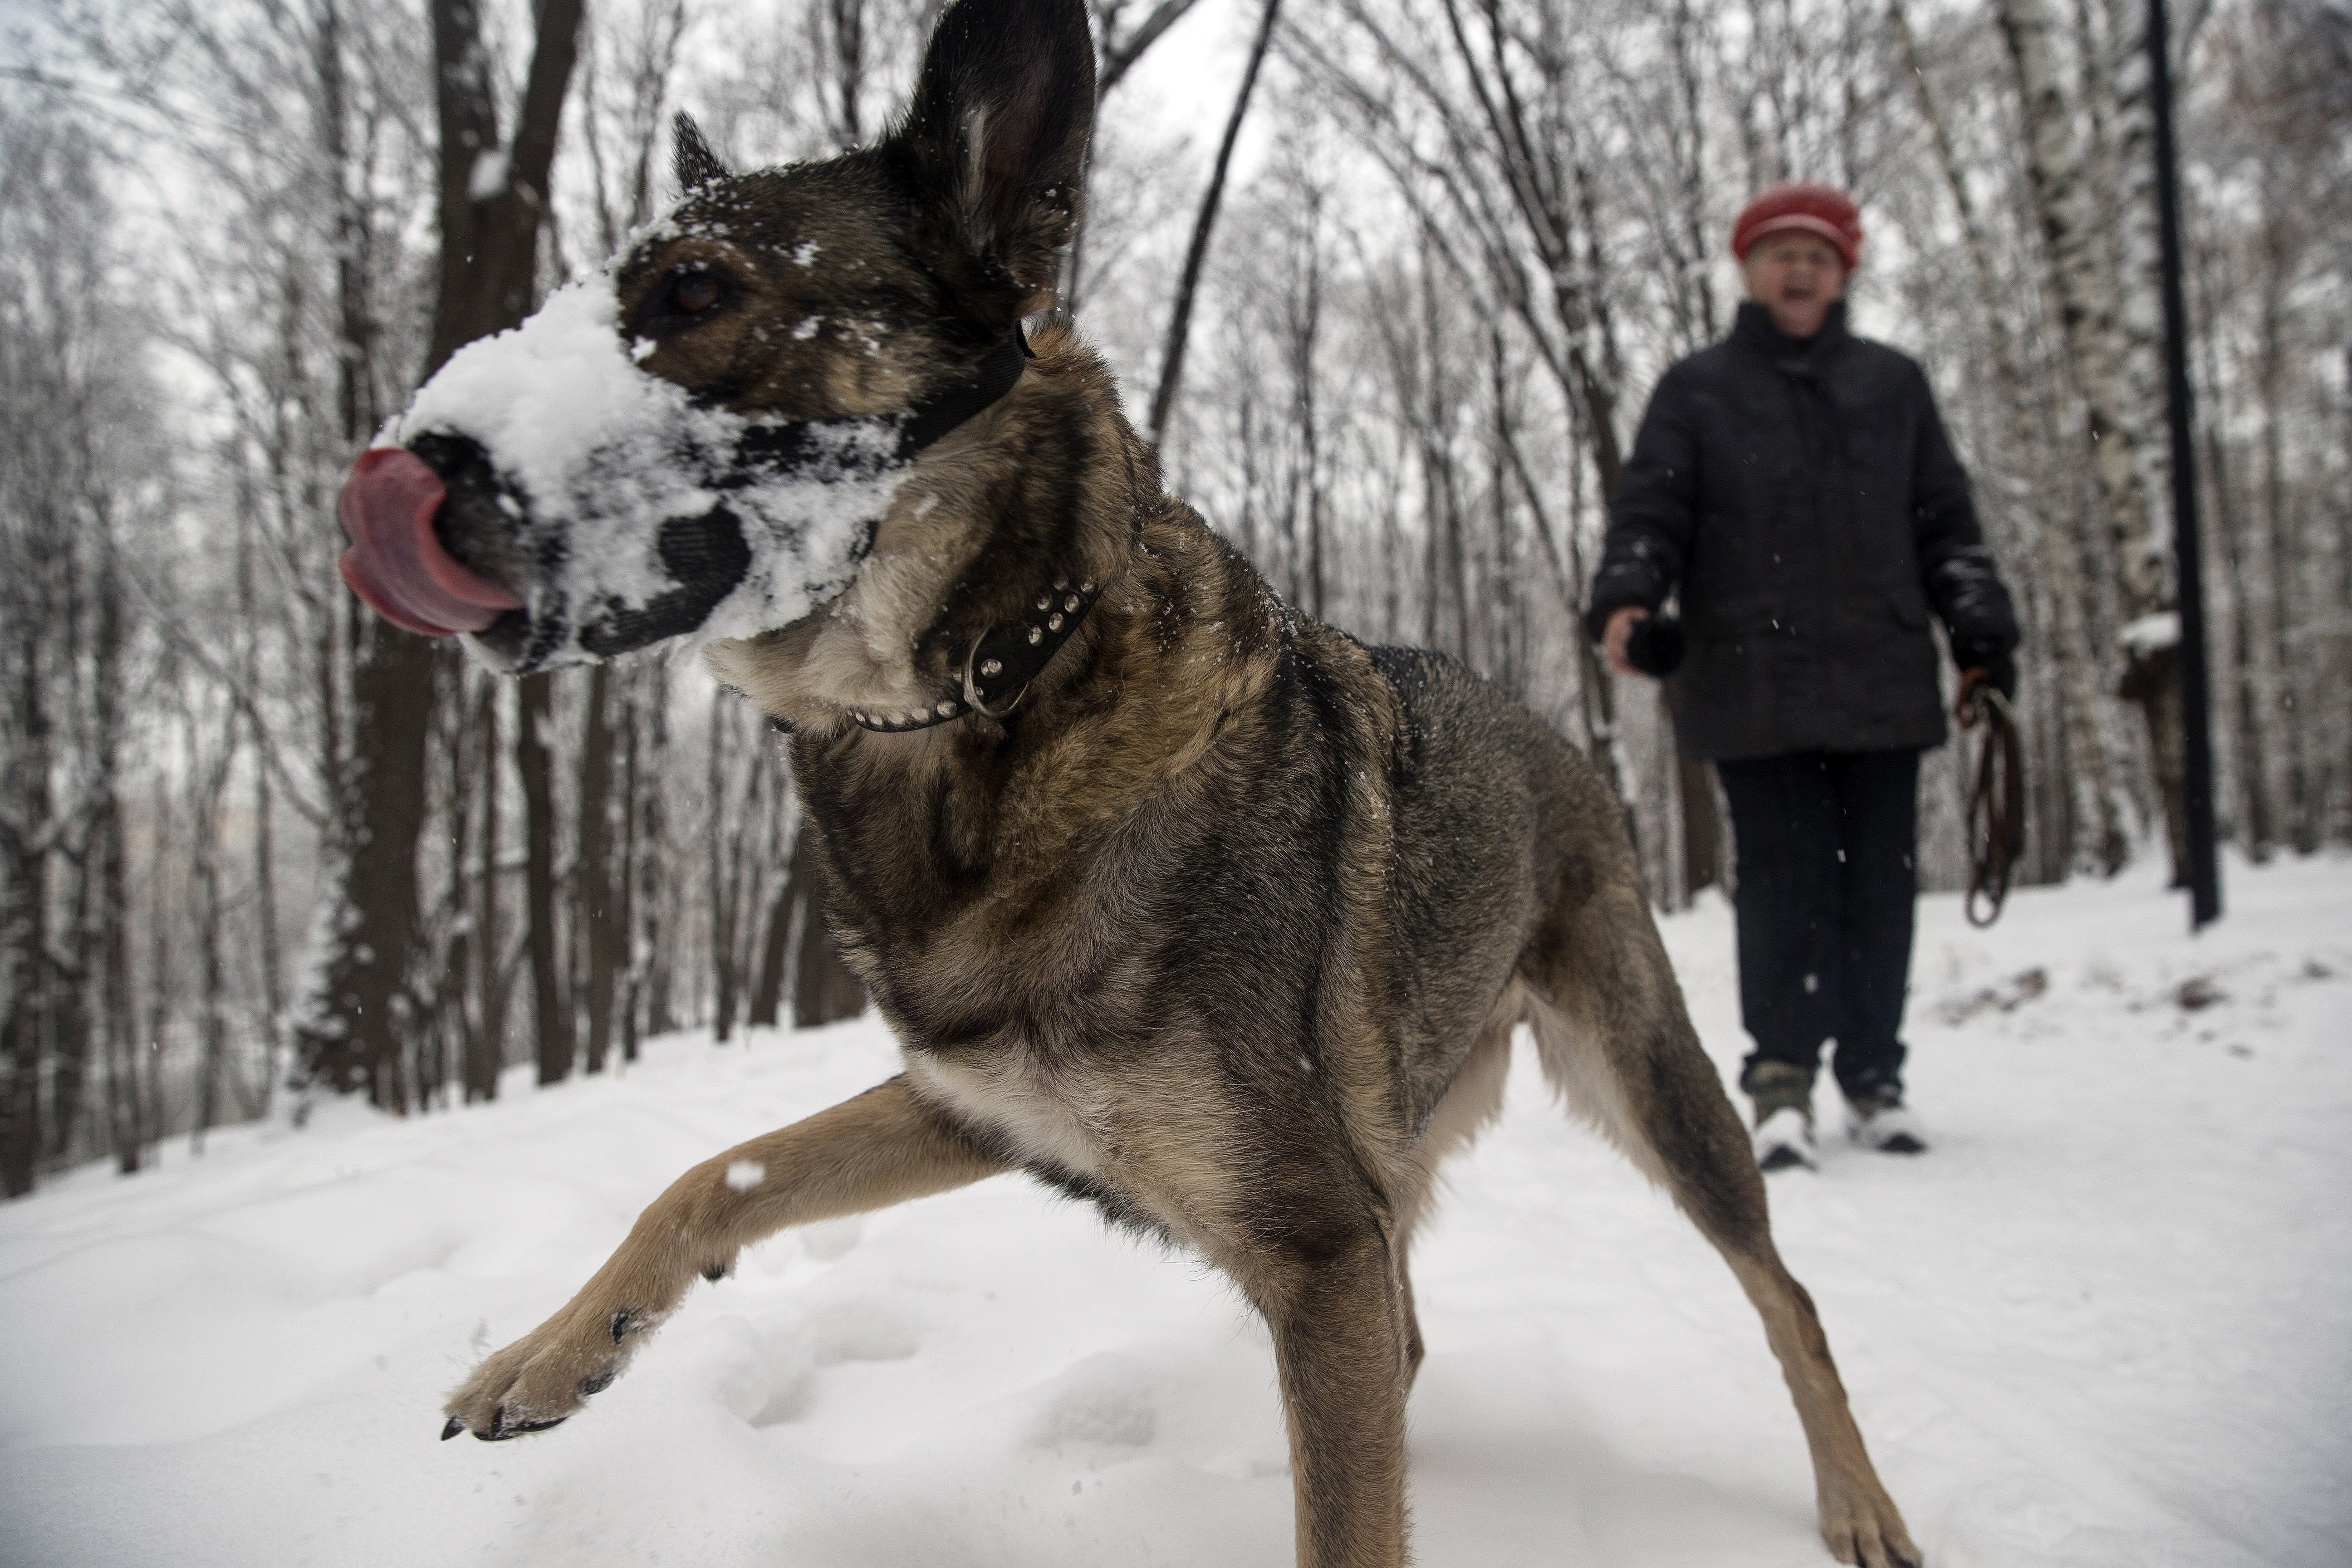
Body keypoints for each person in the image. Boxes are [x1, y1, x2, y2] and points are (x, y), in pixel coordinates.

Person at [1585, 183, 2019, 1171]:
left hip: (1883, 679)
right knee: (1782, 890)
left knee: (1879, 889)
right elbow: (1651, 514)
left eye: (1818, 257)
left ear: (1844, 274)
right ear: (1748, 269)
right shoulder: (1698, 391)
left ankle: (1874, 1077)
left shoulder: (1893, 386)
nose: (1799, 270)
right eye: (1780, 253)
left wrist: (1981, 631)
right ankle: (1780, 1081)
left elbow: (1949, 526)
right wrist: (1628, 598)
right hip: (1753, 684)